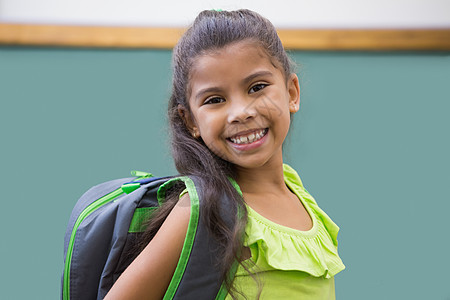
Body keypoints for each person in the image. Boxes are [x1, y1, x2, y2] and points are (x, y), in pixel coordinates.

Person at [105, 9, 345, 300]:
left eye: (257, 87)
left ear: (292, 92)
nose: (241, 113)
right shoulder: (201, 212)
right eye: (215, 100)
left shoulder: (297, 191)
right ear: (191, 120)